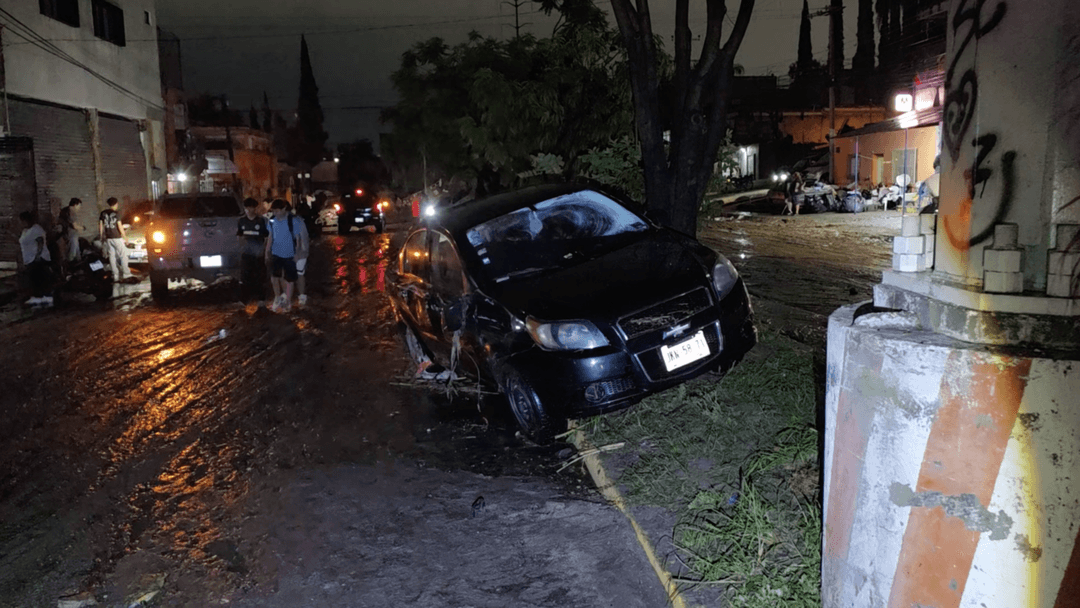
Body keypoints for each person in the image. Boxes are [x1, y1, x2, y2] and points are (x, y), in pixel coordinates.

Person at [265, 199, 302, 313]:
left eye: (277, 211)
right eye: (273, 211)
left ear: (284, 209)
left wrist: (297, 253)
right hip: (276, 253)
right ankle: (277, 297)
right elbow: (270, 236)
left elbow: (298, 239)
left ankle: (288, 301)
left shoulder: (293, 221)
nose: (275, 213)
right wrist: (267, 250)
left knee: (289, 279)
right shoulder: (272, 221)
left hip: (289, 254)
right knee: (275, 277)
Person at [237, 197, 270, 304]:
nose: (249, 210)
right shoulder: (241, 221)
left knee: (260, 277)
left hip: (258, 254)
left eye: (252, 208)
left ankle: (261, 301)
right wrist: (242, 248)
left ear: (255, 208)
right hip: (246, 254)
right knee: (245, 277)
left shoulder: (261, 221)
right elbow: (240, 236)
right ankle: (244, 301)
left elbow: (266, 237)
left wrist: (264, 251)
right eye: (247, 208)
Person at [19, 211, 53, 307]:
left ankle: (45, 300)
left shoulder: (36, 229)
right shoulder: (25, 231)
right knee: (34, 281)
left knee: (40, 280)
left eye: (22, 221)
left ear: (26, 220)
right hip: (29, 260)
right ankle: (38, 300)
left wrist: (37, 256)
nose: (21, 223)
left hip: (38, 260)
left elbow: (40, 242)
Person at [99, 197, 133, 283]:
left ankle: (115, 275)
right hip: (117, 237)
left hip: (108, 238)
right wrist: (125, 237)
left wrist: (101, 236)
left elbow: (101, 226)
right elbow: (120, 226)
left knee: (112, 256)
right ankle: (126, 274)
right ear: (116, 204)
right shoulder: (116, 213)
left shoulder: (103, 213)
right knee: (123, 255)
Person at [291, 203, 311, 308]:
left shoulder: (296, 221)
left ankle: (301, 296)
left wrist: (299, 252)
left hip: (300, 253)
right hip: (294, 252)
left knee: (299, 274)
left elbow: (300, 238)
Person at [56, 198, 85, 270]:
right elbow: (74, 226)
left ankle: (80, 268)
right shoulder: (72, 212)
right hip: (72, 234)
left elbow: (59, 222)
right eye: (79, 206)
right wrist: (82, 228)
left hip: (66, 233)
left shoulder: (63, 210)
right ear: (75, 205)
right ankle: (70, 269)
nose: (79, 208)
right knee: (72, 253)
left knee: (77, 253)